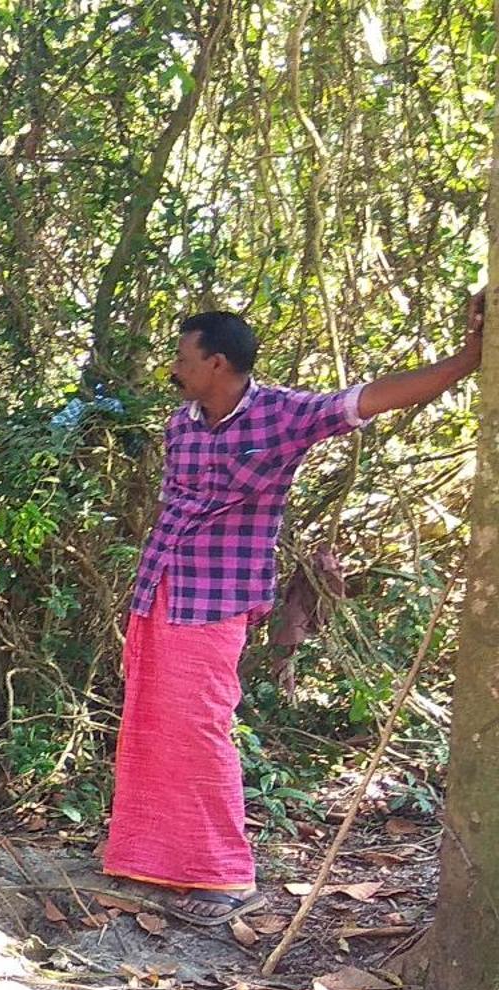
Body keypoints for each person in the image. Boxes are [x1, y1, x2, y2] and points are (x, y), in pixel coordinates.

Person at [105, 296, 485, 925]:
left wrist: (466, 360)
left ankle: (224, 875)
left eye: (182, 357)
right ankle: (151, 855)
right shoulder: (182, 425)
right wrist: (143, 591)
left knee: (200, 727)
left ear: (217, 363)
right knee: (152, 723)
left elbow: (371, 398)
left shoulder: (283, 414)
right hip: (160, 589)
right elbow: (173, 514)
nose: (174, 368)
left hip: (218, 598)